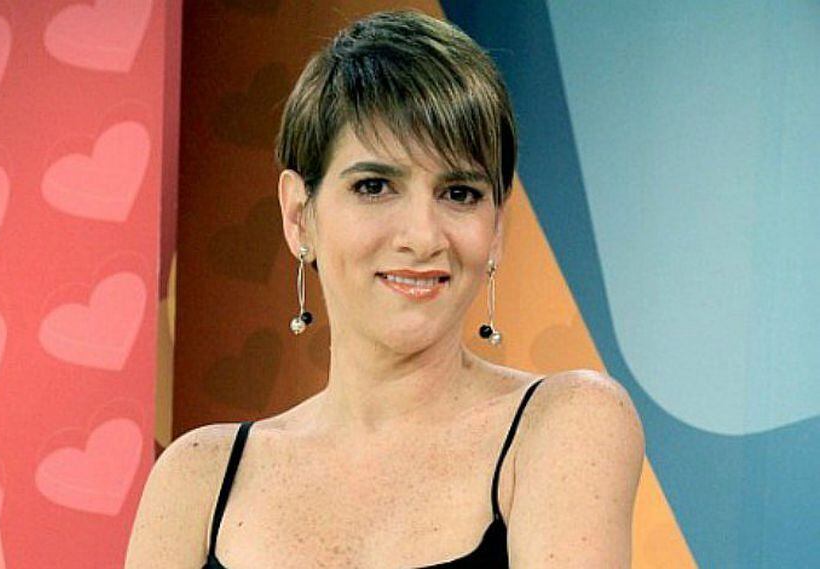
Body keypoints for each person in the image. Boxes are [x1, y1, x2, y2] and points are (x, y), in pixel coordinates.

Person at [126, 8, 644, 568]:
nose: (422, 237)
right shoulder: (196, 479)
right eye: (375, 186)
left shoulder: (565, 422)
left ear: (496, 229)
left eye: (460, 193)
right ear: (299, 216)